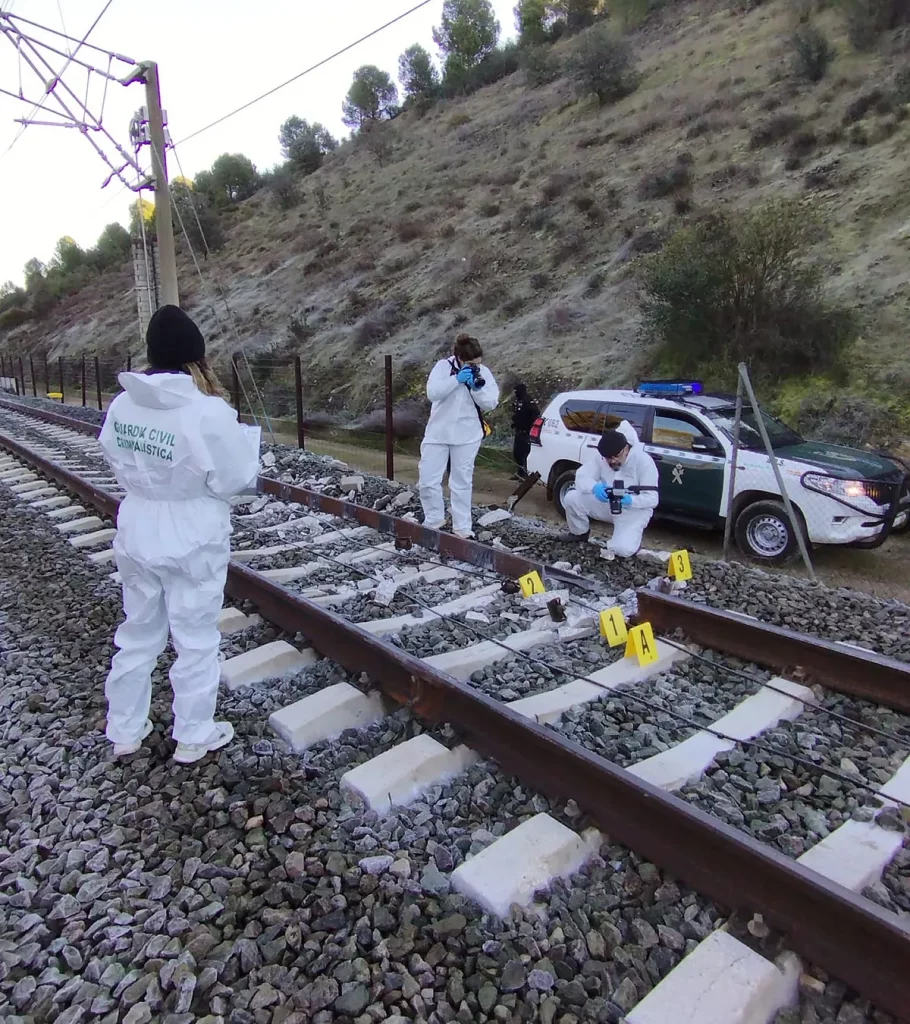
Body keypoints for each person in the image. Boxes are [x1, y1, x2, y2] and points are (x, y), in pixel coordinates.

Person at [99, 305, 261, 763]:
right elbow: (235, 480)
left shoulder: (123, 404)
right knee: (195, 637)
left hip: (138, 526)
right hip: (193, 532)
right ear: (197, 358)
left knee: (137, 632)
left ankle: (125, 730)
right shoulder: (208, 412)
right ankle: (193, 734)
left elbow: (114, 457)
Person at [418, 333, 500, 538]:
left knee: (461, 482)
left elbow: (490, 403)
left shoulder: (484, 372)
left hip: (467, 435)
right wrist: (456, 379)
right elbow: (433, 393)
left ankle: (462, 527)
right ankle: (434, 518)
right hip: (438, 432)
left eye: (478, 363)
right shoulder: (442, 367)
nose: (476, 367)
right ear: (460, 359)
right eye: (471, 364)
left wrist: (475, 388)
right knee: (428, 479)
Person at [559, 421, 659, 557]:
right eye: (608, 458)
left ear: (626, 449)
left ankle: (631, 541)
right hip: (607, 504)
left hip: (633, 511)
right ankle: (579, 533)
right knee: (571, 498)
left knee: (621, 550)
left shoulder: (644, 462)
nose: (612, 461)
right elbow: (582, 476)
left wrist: (630, 500)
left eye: (616, 457)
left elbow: (652, 499)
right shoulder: (602, 458)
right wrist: (594, 487)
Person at [511, 382, 540, 480]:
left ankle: (525, 474)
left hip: (526, 432)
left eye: (516, 391)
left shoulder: (528, 401)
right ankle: (519, 472)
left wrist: (530, 427)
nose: (515, 393)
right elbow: (517, 414)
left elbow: (535, 414)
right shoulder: (518, 401)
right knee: (517, 453)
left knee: (524, 454)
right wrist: (515, 423)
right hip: (518, 431)